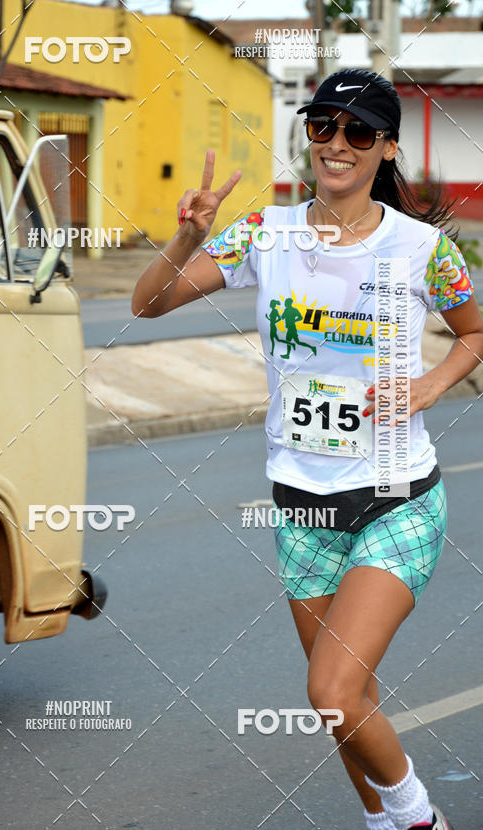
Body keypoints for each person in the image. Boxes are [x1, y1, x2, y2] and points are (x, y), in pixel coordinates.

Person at [131, 68, 483, 830]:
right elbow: (148, 303)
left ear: (387, 148)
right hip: (303, 508)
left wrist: (430, 386)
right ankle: (383, 821)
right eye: (324, 125)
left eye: (360, 131)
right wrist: (189, 233)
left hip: (398, 498)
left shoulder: (423, 250)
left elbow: (475, 334)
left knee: (329, 691)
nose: (337, 144)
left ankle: (419, 816)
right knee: (350, 702)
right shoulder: (268, 233)